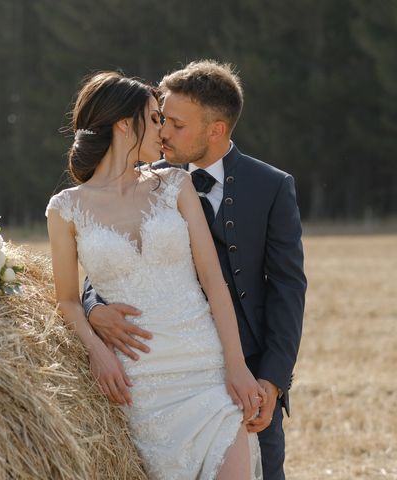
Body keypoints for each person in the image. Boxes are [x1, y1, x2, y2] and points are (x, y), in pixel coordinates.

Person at [83, 61, 307, 480]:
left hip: (249, 377)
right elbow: (102, 265)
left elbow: (287, 290)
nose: (163, 131)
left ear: (216, 130)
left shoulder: (272, 186)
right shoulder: (143, 182)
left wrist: (272, 383)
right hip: (162, 375)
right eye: (161, 119)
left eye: (177, 124)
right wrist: (94, 309)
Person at [46, 71, 265, 479]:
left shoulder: (176, 184)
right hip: (137, 385)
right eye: (155, 117)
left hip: (206, 371)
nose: (163, 129)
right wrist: (98, 352)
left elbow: (214, 282)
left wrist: (236, 366)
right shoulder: (65, 208)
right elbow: (68, 301)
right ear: (124, 124)